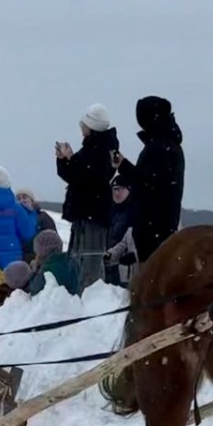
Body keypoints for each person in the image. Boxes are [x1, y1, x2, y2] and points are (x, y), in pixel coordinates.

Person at [110, 95, 185, 264]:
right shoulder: (165, 145)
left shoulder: (161, 148)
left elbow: (151, 184)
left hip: (155, 228)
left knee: (154, 280)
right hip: (157, 227)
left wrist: (124, 166)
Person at [56, 103, 119, 287]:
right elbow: (76, 175)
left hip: (93, 212)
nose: (81, 128)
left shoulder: (101, 148)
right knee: (78, 258)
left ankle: (91, 297)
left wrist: (70, 159)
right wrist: (64, 160)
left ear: (92, 126)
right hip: (86, 211)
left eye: (83, 124)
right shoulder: (94, 147)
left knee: (89, 260)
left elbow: (88, 176)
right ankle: (80, 294)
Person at [25, 229, 81, 296]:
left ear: (41, 253)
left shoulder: (47, 269)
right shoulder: (70, 260)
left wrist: (33, 272)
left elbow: (34, 289)